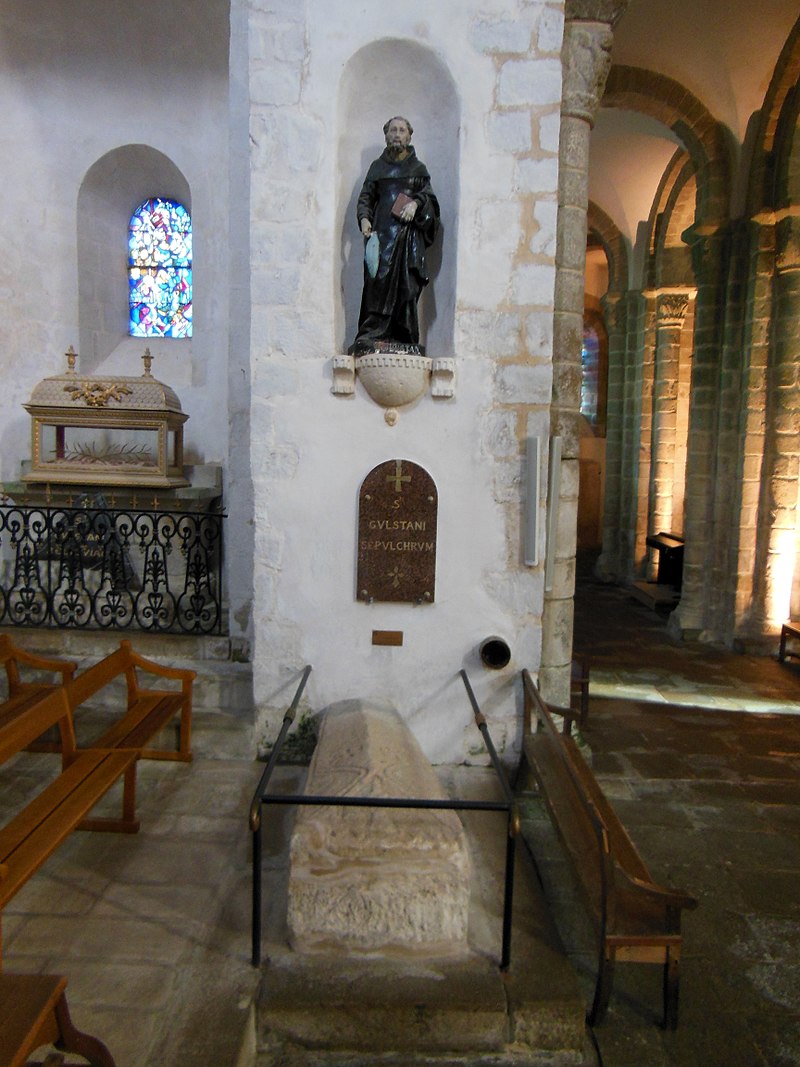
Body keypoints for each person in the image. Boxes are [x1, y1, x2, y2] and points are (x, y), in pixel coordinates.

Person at [350, 117, 440, 354]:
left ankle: (404, 336)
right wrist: (364, 218)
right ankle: (372, 334)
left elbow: (430, 200)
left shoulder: (418, 169)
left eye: (401, 130)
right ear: (386, 135)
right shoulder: (377, 168)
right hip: (381, 237)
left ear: (409, 136)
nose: (397, 134)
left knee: (407, 288)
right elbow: (366, 198)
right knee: (376, 283)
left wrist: (416, 204)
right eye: (393, 130)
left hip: (408, 240)